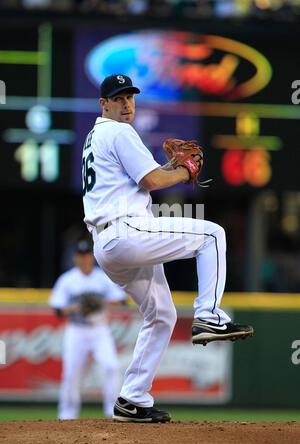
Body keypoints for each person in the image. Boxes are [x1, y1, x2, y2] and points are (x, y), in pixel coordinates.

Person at [82, 74, 254, 423]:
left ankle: (132, 398)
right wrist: (185, 171)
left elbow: (143, 179)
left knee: (161, 315)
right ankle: (209, 317)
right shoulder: (118, 131)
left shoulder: (95, 136)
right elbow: (152, 182)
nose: (127, 103)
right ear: (104, 105)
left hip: (108, 245)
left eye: (130, 97)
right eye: (118, 98)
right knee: (212, 235)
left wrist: (172, 168)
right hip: (126, 229)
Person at [49, 239, 126, 419]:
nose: (84, 259)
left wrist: (100, 302)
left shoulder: (102, 277)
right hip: (76, 330)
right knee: (71, 373)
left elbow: (121, 300)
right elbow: (58, 309)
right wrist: (77, 307)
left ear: (92, 257)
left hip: (100, 329)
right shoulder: (67, 280)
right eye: (80, 256)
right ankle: (67, 415)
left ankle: (113, 411)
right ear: (75, 258)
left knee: (111, 367)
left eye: (86, 255)